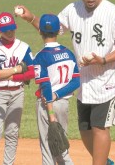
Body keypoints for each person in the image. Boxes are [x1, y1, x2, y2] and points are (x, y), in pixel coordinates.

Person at [15, 0, 115, 164]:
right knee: (85, 129)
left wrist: (103, 60)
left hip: (110, 80)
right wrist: (31, 18)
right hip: (85, 81)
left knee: (99, 127)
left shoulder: (114, 13)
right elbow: (51, 29)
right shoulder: (72, 10)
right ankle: (105, 161)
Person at [0, 12, 35, 165]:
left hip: (17, 93)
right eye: (5, 29)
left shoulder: (24, 47)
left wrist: (12, 77)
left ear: (16, 26)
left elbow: (33, 72)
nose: (9, 31)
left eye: (11, 28)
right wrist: (17, 70)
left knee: (12, 133)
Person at [34, 14, 80, 164]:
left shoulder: (41, 56)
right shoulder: (68, 53)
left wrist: (50, 110)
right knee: (61, 146)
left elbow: (46, 85)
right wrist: (58, 94)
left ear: (40, 31)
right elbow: (76, 81)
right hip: (63, 104)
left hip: (48, 105)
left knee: (48, 148)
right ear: (58, 30)